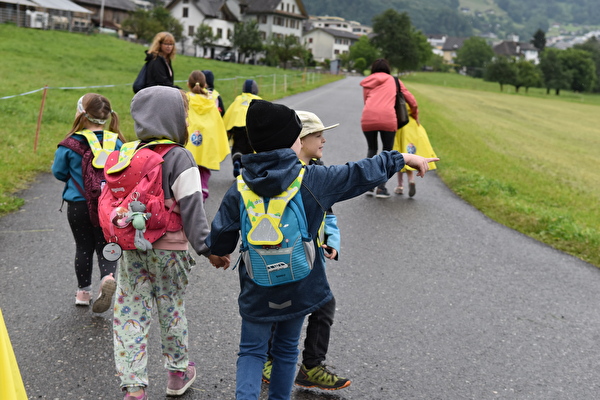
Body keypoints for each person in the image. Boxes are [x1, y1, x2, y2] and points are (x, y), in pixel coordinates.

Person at [207, 100, 438, 400]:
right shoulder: (314, 179)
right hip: (301, 282)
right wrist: (403, 157)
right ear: (292, 140)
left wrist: (218, 253)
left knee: (251, 351)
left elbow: (222, 233)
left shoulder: (240, 186)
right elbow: (360, 172)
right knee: (287, 348)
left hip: (257, 283)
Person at [112, 86, 227, 400]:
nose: (187, 121)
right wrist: (208, 249)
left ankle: (134, 387)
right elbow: (192, 209)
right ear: (173, 118)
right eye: (184, 114)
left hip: (133, 247)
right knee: (171, 308)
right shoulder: (179, 157)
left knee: (131, 312)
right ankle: (177, 374)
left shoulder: (129, 153)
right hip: (170, 250)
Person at [261, 110, 350, 391]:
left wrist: (332, 242)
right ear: (300, 139)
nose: (323, 140)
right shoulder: (283, 176)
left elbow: (330, 215)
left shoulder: (318, 175)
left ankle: (311, 366)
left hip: (313, 258)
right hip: (283, 257)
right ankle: (269, 360)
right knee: (284, 304)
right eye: (317, 135)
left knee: (324, 305)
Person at [52, 93, 125, 313]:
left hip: (78, 205)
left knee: (83, 247)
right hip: (107, 207)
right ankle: (107, 279)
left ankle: (83, 292)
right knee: (106, 245)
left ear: (82, 114)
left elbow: (58, 172)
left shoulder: (70, 144)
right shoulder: (117, 143)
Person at [359, 58, 419, 198]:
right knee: (386, 152)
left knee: (372, 150)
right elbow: (412, 101)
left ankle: (369, 186)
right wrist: (415, 115)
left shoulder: (368, 81)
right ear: (388, 68)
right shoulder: (394, 80)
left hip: (368, 118)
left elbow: (366, 101)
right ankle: (381, 188)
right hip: (388, 119)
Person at [184, 70, 230, 202]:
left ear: (188, 84)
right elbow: (217, 119)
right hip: (207, 137)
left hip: (190, 136)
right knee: (203, 165)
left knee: (189, 167)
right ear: (205, 84)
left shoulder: (185, 98)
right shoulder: (212, 99)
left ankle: (189, 193)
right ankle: (203, 189)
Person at [393, 103, 437, 197]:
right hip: (413, 127)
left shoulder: (399, 100)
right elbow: (415, 108)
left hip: (402, 126)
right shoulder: (410, 102)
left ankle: (400, 186)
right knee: (411, 156)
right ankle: (411, 180)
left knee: (400, 155)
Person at [222, 79, 261, 177]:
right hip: (252, 128)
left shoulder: (238, 99)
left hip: (237, 127)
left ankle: (237, 160)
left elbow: (228, 115)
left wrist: (228, 130)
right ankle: (249, 171)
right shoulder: (258, 100)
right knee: (250, 149)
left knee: (237, 147)